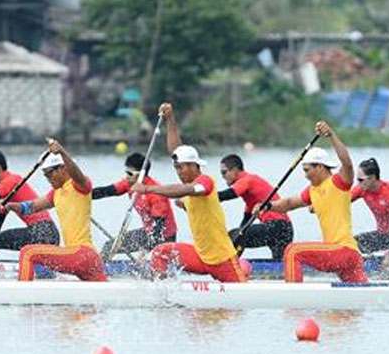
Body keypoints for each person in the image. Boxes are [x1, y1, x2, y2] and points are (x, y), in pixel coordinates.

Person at [129, 103, 247, 283]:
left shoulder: (205, 182)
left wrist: (147, 188)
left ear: (195, 166)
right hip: (200, 257)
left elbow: (186, 190)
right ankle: (162, 295)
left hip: (222, 259)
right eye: (176, 168)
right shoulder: (188, 181)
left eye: (182, 167)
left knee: (238, 307)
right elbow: (176, 150)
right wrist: (170, 119)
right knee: (161, 252)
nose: (178, 171)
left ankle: (244, 268)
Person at [258, 121, 367, 283]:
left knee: (292, 251)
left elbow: (348, 163)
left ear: (320, 167)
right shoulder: (311, 190)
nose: (305, 175)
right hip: (348, 258)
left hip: (342, 250)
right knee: (351, 305)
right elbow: (288, 203)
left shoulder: (339, 182)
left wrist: (331, 135)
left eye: (307, 170)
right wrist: (267, 206)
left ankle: (294, 302)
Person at [3, 139, 107, 281]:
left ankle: (22, 296)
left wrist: (62, 152)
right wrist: (12, 206)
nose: (47, 178)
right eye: (45, 175)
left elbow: (77, 174)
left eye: (49, 174)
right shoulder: (56, 192)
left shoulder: (80, 185)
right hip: (89, 260)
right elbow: (32, 207)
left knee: (28, 252)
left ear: (63, 168)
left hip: (82, 253)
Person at [92, 152, 177, 257]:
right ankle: (99, 271)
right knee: (109, 247)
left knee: (154, 265)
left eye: (130, 173)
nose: (126, 176)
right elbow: (107, 191)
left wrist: (145, 251)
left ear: (141, 175)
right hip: (147, 232)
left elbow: (158, 228)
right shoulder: (129, 183)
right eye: (126, 172)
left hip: (164, 236)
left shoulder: (156, 193)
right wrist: (84, 195)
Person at [219, 154, 293, 259]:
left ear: (235, 170)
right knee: (281, 266)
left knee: (232, 235)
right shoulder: (251, 200)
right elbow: (243, 227)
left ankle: (229, 266)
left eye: (224, 172)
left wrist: (205, 195)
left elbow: (230, 194)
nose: (222, 176)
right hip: (286, 229)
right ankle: (234, 264)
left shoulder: (247, 179)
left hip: (276, 227)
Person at [351, 158, 389, 259]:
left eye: (360, 180)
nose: (358, 183)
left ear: (372, 178)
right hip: (383, 236)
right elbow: (341, 202)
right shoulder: (362, 189)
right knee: (351, 244)